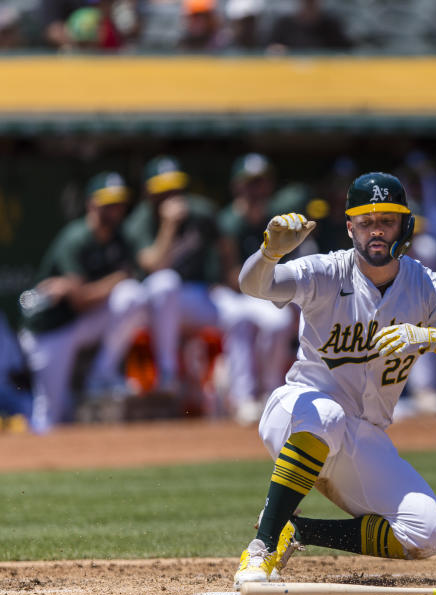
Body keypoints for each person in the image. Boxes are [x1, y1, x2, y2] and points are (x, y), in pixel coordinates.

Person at [232, 172, 436, 589]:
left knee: (428, 532)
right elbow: (252, 286)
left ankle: (297, 532)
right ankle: (262, 546)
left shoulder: (427, 285)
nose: (376, 230)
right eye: (366, 220)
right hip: (297, 412)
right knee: (327, 413)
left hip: (362, 433)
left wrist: (434, 338)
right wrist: (268, 254)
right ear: (349, 226)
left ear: (406, 225)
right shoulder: (326, 271)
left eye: (387, 221)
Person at [18, 172, 147, 433]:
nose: (114, 210)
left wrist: (95, 288)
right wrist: (116, 279)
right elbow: (81, 301)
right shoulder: (75, 237)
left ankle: (102, 374)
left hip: (80, 323)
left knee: (133, 296)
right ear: (91, 204)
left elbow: (136, 276)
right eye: (107, 203)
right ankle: (35, 461)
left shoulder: (122, 238)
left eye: (119, 203)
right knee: (51, 414)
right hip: (49, 330)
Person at [122, 155, 225, 394]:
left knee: (246, 316)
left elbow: (225, 244)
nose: (171, 196)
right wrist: (169, 225)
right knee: (165, 283)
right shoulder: (140, 221)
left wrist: (222, 279)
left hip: (194, 296)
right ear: (149, 193)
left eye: (175, 188)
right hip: (152, 305)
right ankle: (167, 374)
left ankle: (248, 395)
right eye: (163, 190)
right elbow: (154, 265)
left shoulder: (201, 211)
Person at [214, 153, 296, 423]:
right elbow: (231, 275)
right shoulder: (228, 220)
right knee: (239, 320)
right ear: (238, 185)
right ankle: (243, 399)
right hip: (228, 293)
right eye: (249, 182)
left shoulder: (276, 219)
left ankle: (270, 393)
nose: (255, 189)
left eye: (260, 182)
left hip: (262, 291)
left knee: (279, 321)